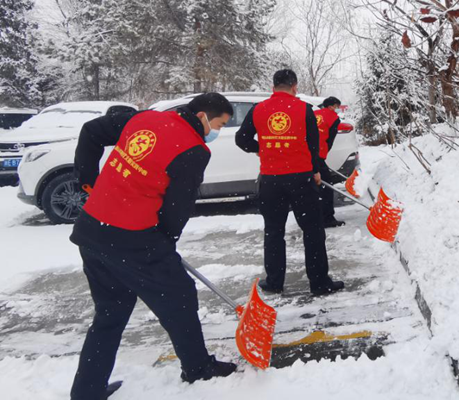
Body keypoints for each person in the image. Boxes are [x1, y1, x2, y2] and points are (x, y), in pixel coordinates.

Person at [70, 93, 237, 400]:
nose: (219, 131)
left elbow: (91, 131)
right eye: (219, 124)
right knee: (180, 296)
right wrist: (165, 241)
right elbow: (177, 208)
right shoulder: (194, 150)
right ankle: (197, 367)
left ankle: (87, 390)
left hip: (92, 230)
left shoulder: (144, 118)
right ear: (202, 116)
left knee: (110, 314)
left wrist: (88, 181)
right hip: (133, 238)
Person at [235, 69, 344, 296]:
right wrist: (315, 170)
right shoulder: (304, 110)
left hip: (271, 181)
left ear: (273, 87)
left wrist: (261, 147)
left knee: (273, 231)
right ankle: (319, 283)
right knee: (312, 231)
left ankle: (274, 282)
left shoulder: (258, 109)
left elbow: (242, 139)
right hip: (301, 179)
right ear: (294, 86)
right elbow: (313, 144)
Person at [314, 97, 345, 228]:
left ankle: (316, 215)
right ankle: (327, 218)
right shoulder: (333, 118)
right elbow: (330, 138)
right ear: (332, 106)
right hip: (318, 152)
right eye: (337, 107)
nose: (337, 110)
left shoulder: (314, 113)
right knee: (326, 184)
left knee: (315, 184)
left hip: (306, 152)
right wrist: (324, 151)